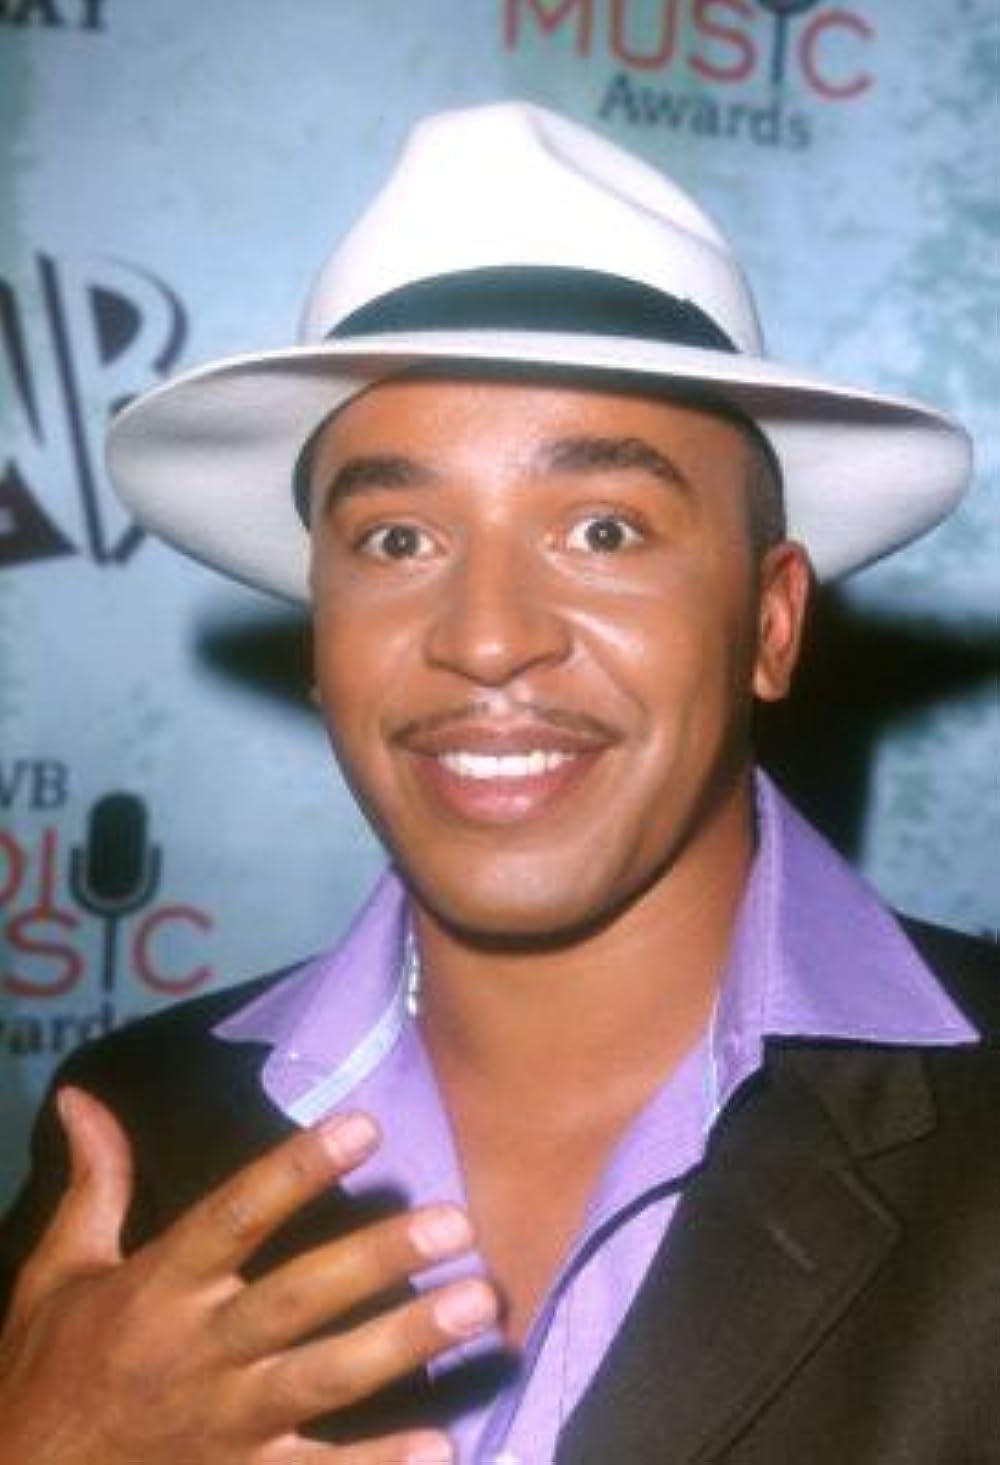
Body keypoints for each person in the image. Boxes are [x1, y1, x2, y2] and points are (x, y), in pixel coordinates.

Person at [0, 102, 996, 1465]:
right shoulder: (134, 1128)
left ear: (770, 622)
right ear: (320, 636)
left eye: (604, 529)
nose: (483, 636)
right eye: (398, 539)